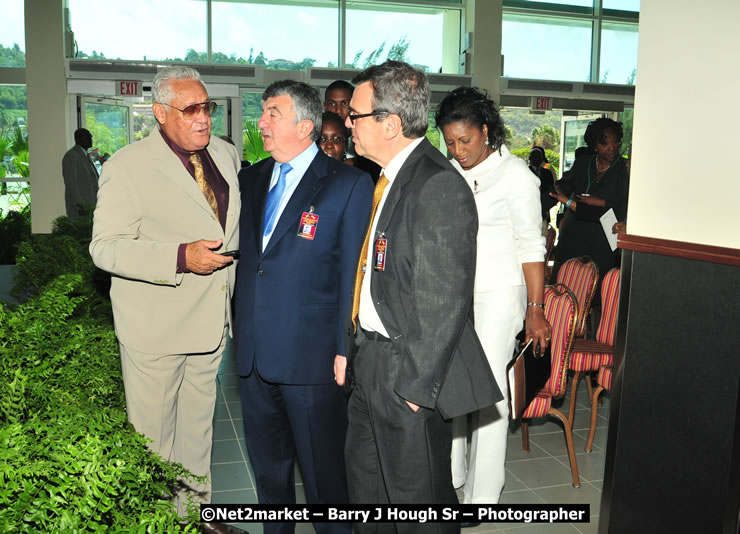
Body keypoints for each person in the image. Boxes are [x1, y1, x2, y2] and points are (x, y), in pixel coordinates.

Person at [337, 61, 501, 533]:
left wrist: (413, 388)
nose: (348, 123)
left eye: (355, 115)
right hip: (371, 358)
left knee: (417, 505)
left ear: (389, 123)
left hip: (405, 370)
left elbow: (444, 300)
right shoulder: (388, 178)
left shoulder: (436, 183)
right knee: (368, 493)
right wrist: (352, 346)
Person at [89, 66, 243, 532]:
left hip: (210, 323)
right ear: (159, 112)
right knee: (153, 441)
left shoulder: (226, 154)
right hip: (155, 330)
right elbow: (105, 248)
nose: (203, 118)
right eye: (190, 109)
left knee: (197, 431)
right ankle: (153, 523)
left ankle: (195, 516)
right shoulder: (127, 167)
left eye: (207, 107)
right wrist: (179, 257)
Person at [233, 80, 372, 534]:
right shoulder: (250, 179)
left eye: (272, 113)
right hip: (254, 356)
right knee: (269, 477)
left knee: (324, 480)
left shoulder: (348, 184)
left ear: (304, 125)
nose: (261, 122)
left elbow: (351, 275)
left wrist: (344, 349)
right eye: (262, 112)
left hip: (312, 358)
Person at [435, 86, 552, 506]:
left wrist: (535, 310)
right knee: (455, 383)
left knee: (487, 393)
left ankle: (481, 495)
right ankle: (451, 475)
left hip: (500, 294)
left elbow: (532, 245)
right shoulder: (453, 170)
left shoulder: (516, 175)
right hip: (458, 294)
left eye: (465, 140)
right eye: (450, 142)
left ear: (486, 130)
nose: (458, 150)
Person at [549, 117, 629, 283]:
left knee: (597, 287)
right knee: (567, 285)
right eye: (605, 143)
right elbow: (561, 188)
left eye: (616, 142)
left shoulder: (624, 169)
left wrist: (600, 203)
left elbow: (619, 205)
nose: (612, 148)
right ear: (594, 145)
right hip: (575, 236)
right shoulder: (583, 163)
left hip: (603, 239)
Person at [62, 127, 99, 218]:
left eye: (90, 136)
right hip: (81, 211)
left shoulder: (85, 155)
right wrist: (81, 206)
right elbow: (71, 184)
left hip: (91, 207)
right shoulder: (72, 156)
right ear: (78, 139)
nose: (90, 138)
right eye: (87, 136)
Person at [528, 146, 557, 223]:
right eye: (535, 157)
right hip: (530, 208)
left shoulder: (547, 173)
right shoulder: (526, 172)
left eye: (539, 157)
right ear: (530, 158)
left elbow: (552, 188)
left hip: (545, 208)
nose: (537, 159)